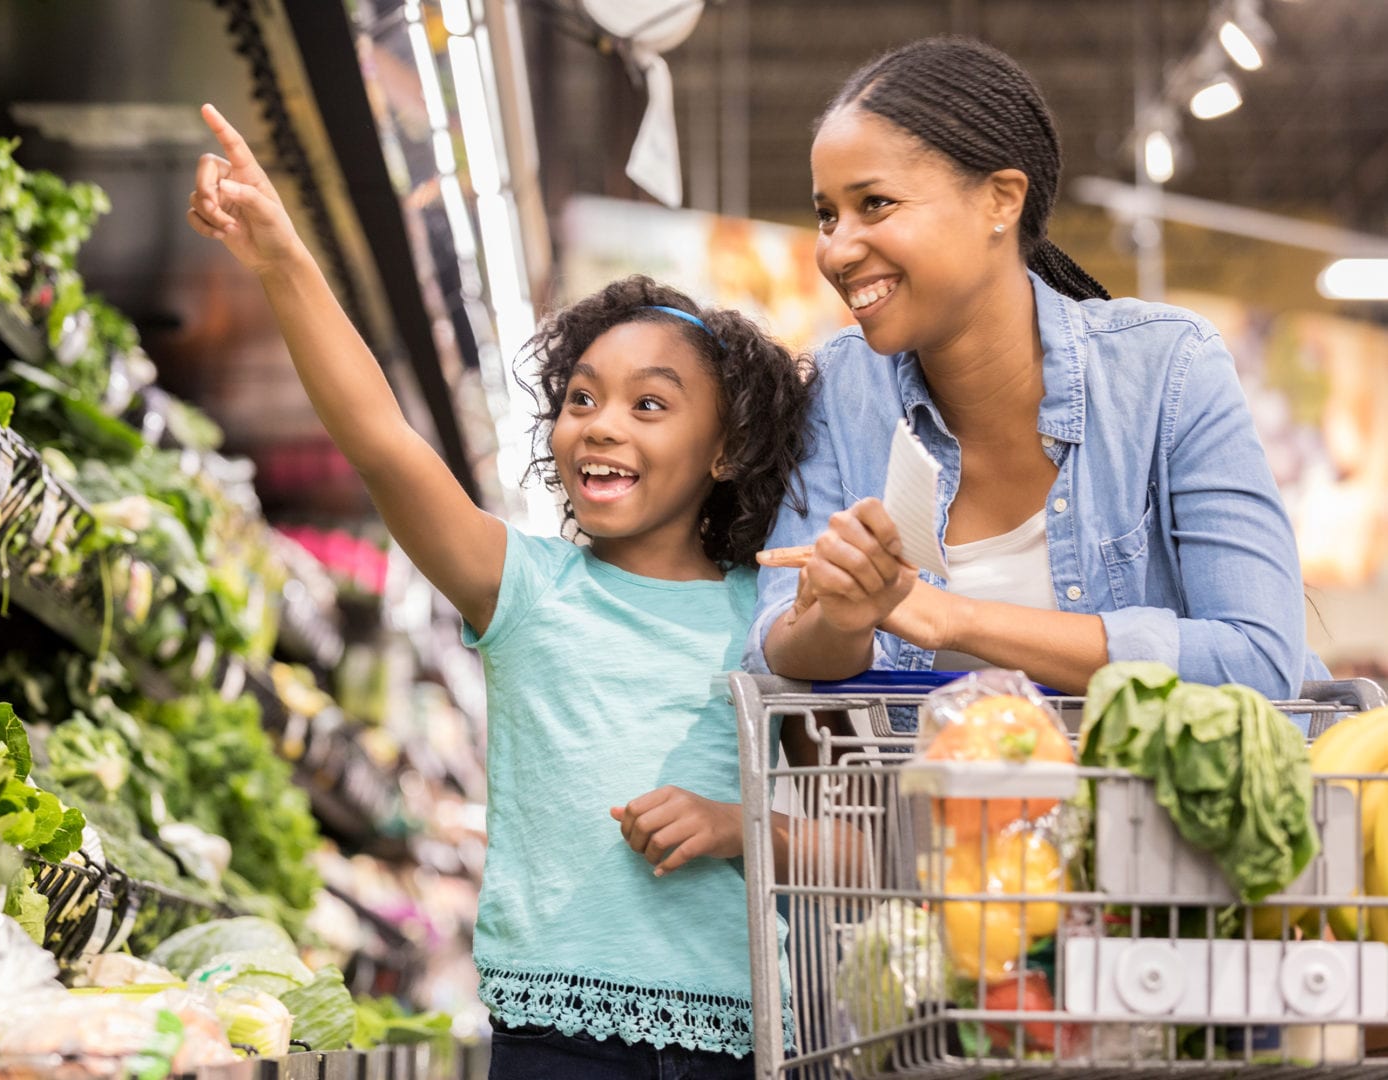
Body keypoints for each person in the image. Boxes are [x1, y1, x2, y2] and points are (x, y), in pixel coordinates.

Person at [186, 105, 813, 1077]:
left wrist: (743, 828)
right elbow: (382, 438)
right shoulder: (521, 587)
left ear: (727, 448)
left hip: (747, 1045)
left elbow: (860, 849)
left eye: (650, 403)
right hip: (553, 1048)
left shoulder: (774, 619)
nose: (601, 425)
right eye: (581, 398)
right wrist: (280, 259)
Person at [748, 36, 1321, 703]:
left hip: (1159, 806)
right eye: (826, 215)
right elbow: (775, 651)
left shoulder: (1169, 369)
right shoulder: (840, 390)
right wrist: (838, 619)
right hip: (932, 807)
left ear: (1001, 199)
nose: (837, 249)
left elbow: (1257, 660)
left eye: (875, 203)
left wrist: (953, 619)